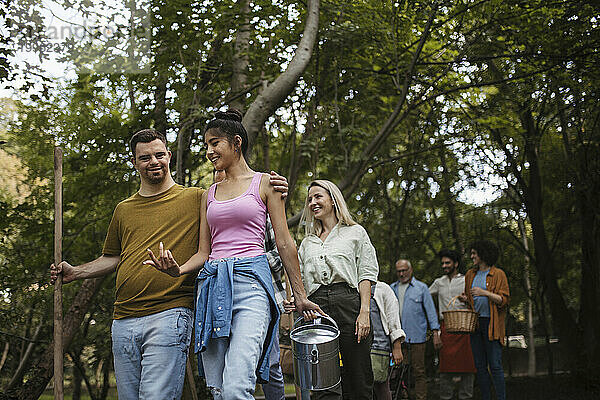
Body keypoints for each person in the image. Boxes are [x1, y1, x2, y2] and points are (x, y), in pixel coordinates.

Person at [49, 128, 289, 400]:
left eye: (159, 155)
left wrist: (274, 184)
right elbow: (113, 257)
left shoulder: (199, 197)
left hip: (169, 312)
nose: (153, 161)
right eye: (145, 157)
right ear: (134, 163)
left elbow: (238, 198)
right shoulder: (123, 209)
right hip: (123, 318)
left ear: (169, 156)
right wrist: (76, 272)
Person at [145, 109, 323, 399]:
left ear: (236, 142)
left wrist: (301, 295)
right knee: (218, 389)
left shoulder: (266, 183)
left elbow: (285, 243)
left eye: (215, 143)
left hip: (252, 284)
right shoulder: (209, 194)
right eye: (206, 145)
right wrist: (177, 270)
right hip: (212, 284)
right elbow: (205, 251)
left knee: (238, 385)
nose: (209, 151)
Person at [297, 179, 379, 400]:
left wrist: (364, 312)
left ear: (333, 200)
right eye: (310, 199)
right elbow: (301, 282)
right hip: (317, 311)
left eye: (318, 197)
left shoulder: (355, 233)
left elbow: (366, 274)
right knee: (323, 383)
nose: (313, 202)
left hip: (349, 304)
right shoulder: (307, 244)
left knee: (359, 377)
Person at [214, 169, 286, 400]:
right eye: (218, 177)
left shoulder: (260, 215)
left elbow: (280, 254)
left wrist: (247, 262)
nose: (222, 180)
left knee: (271, 363)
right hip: (221, 293)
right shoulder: (212, 209)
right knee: (225, 374)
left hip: (263, 293)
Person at [460, 240, 509, 400]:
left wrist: (485, 293)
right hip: (475, 324)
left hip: (492, 325)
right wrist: (465, 299)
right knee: (480, 367)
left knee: (495, 365)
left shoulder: (498, 274)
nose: (472, 256)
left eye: (474, 253)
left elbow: (503, 301)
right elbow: (472, 299)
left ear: (483, 254)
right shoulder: (470, 274)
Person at [390, 259, 441, 400]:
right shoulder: (391, 288)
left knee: (419, 371)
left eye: (404, 270)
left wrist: (436, 332)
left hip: (417, 337)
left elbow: (430, 312)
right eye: (399, 271)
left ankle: (420, 397)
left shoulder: (421, 288)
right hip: (398, 340)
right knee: (399, 371)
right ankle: (403, 396)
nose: (402, 274)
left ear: (410, 270)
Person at [429, 249, 476, 400]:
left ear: (455, 264)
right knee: (445, 367)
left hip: (464, 328)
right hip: (446, 328)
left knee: (468, 366)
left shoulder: (466, 280)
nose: (444, 265)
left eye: (447, 262)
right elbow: (425, 298)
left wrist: (467, 300)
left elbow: (477, 302)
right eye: (442, 263)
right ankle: (445, 396)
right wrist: (434, 314)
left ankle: (466, 396)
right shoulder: (439, 282)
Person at [370, 281, 405, 400]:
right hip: (358, 346)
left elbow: (393, 317)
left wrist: (397, 347)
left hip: (380, 347)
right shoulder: (352, 287)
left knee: (381, 384)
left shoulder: (383, 289)